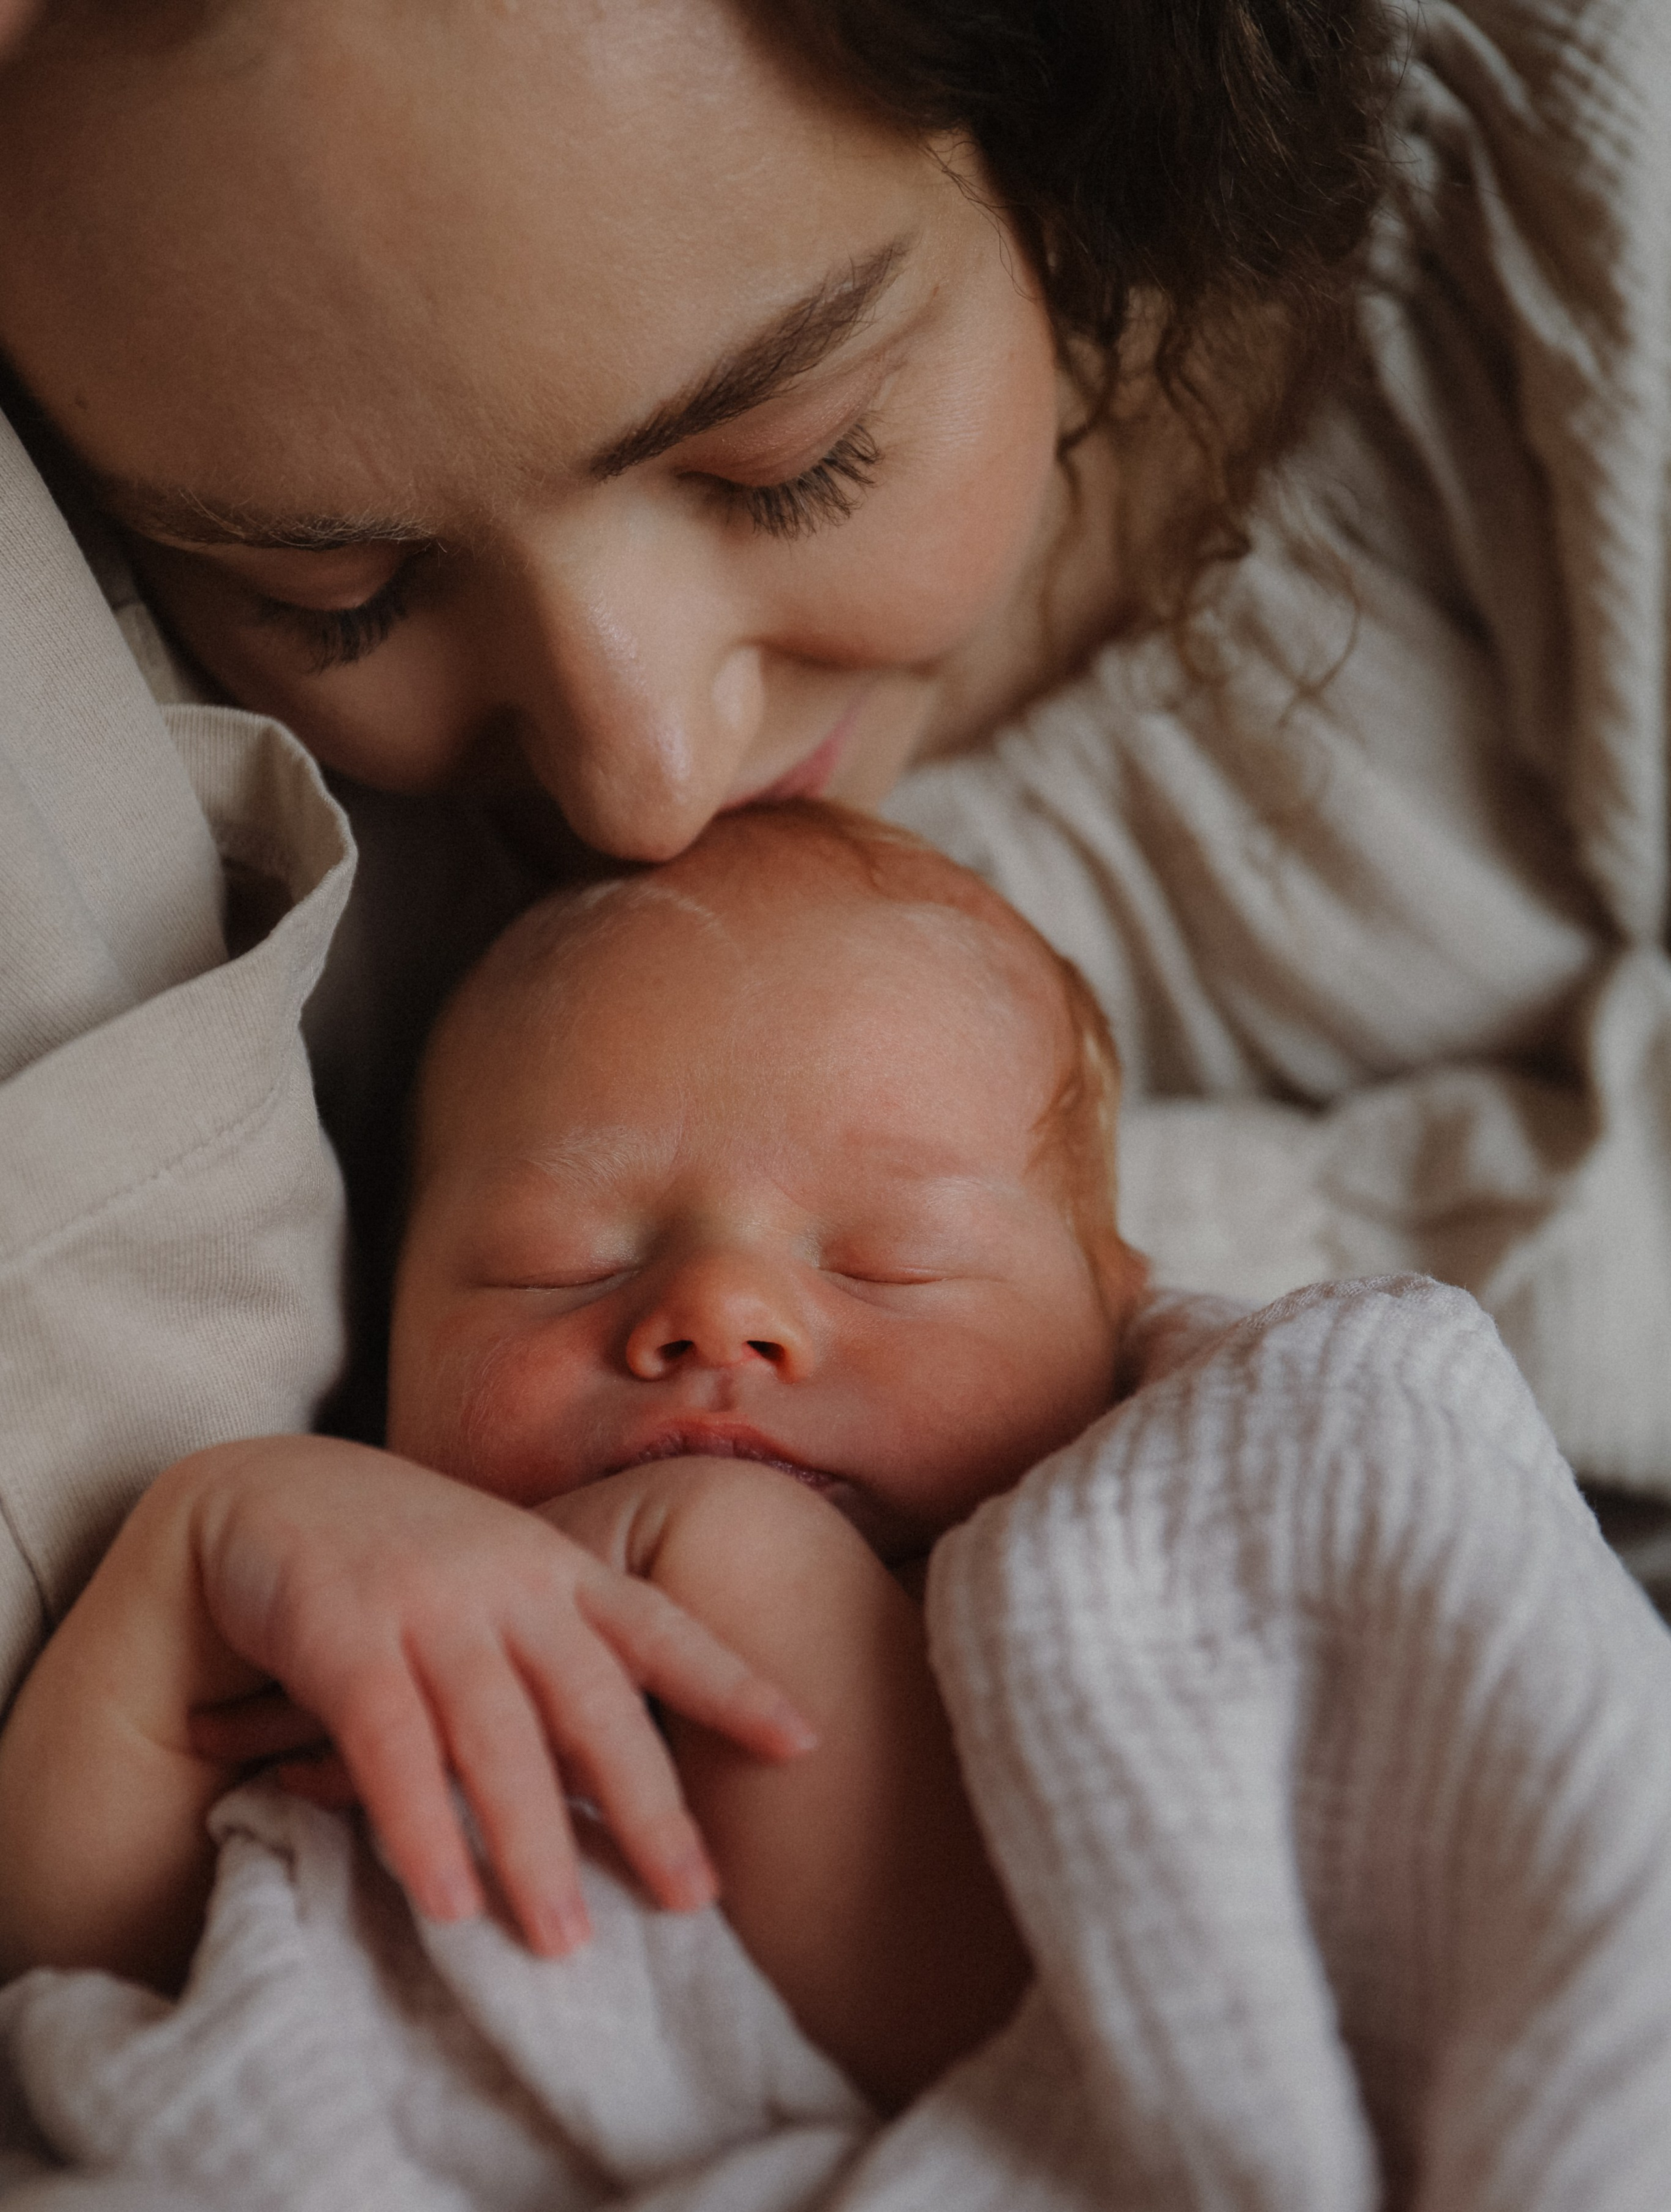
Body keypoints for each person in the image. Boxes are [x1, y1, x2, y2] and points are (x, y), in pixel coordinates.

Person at [0, 0, 1667, 1756]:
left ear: (1068, 139)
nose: (640, 779)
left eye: (791, 463)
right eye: (343, 594)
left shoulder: (1574, 227)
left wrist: (1119, 1300)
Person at [0, 806, 1150, 2113]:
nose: (718, 1310)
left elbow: (1006, 2054)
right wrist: (202, 1549)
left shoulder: (1074, 1628)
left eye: (892, 1261)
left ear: (1117, 1317)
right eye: (562, 1264)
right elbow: (76, 1981)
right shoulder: (368, 1613)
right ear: (388, 1337)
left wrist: (727, 1545)